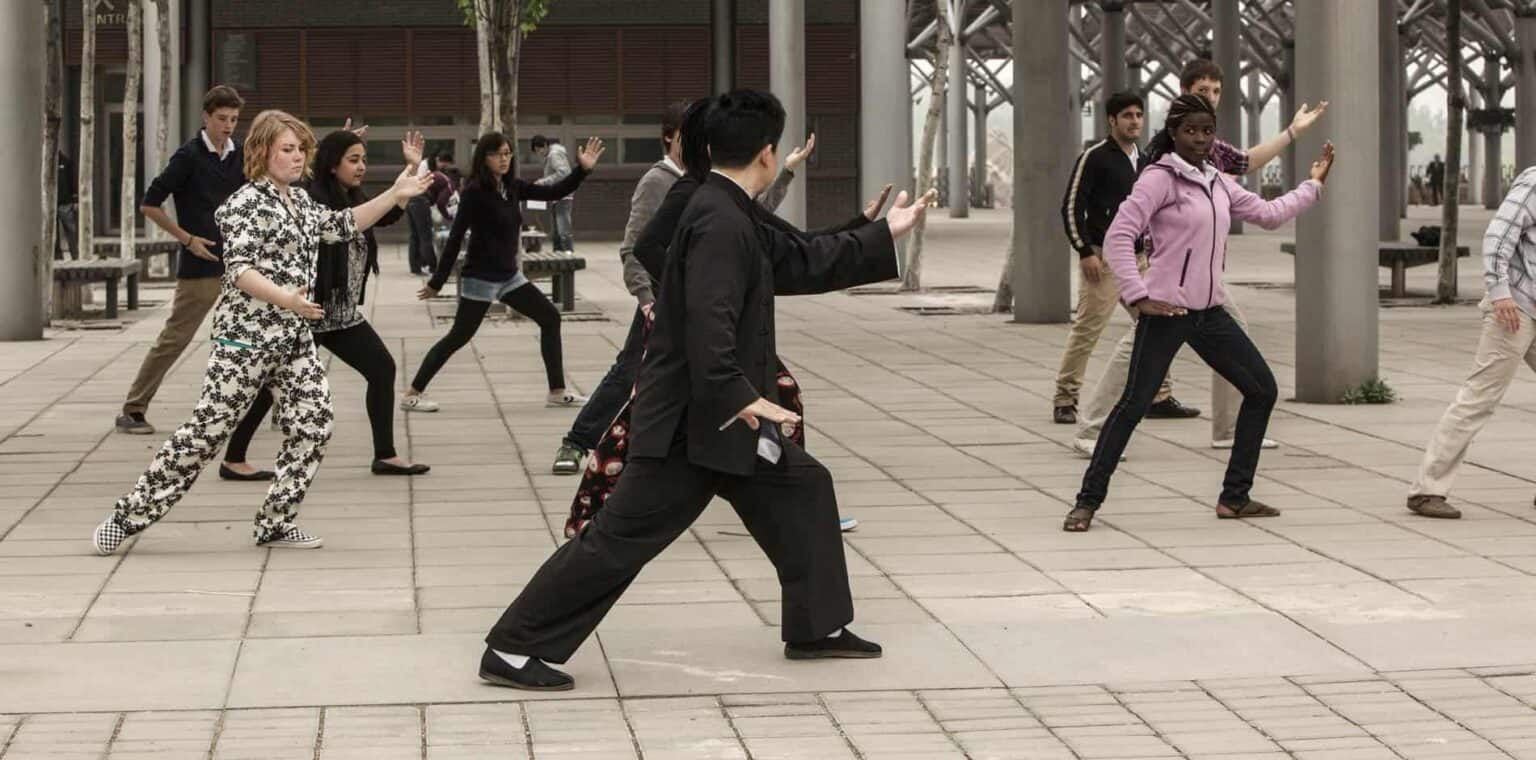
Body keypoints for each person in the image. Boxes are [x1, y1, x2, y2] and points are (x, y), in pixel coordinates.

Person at [476, 90, 932, 692]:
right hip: (695, 423)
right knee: (620, 537)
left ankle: (816, 629)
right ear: (768, 155)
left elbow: (795, 261)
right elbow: (707, 318)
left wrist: (877, 236)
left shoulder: (723, 205)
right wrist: (738, 395)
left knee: (805, 491)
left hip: (721, 416)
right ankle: (513, 648)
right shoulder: (719, 218)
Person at [91, 110, 434, 556]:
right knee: (205, 434)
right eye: (288, 150)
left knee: (314, 425)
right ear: (263, 153)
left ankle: (276, 521)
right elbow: (239, 271)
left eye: (301, 150)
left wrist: (395, 193)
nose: (297, 157)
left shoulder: (303, 202)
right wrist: (286, 298)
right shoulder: (242, 205)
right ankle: (126, 516)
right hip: (244, 342)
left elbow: (344, 225)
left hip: (293, 340)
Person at [560, 97, 889, 537]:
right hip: (673, 312)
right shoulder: (679, 188)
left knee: (774, 397)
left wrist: (861, 226)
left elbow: (791, 246)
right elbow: (643, 248)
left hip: (714, 316)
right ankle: (584, 474)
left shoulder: (722, 194)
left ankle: (788, 503)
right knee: (632, 398)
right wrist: (667, 291)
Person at [1064, 94, 1334, 533]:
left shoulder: (1217, 180)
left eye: (1207, 131)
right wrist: (1137, 294)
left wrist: (1313, 185)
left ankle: (1235, 497)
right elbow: (1118, 237)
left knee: (1262, 390)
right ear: (1174, 133)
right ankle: (1086, 503)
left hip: (1210, 312)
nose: (1200, 139)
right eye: (1190, 131)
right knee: (1132, 406)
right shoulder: (1159, 179)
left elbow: (1267, 214)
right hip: (1166, 311)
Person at [549, 101, 816, 476]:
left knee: (753, 381)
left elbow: (759, 211)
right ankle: (578, 443)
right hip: (664, 304)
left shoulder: (712, 183)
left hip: (700, 302)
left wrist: (786, 171)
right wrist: (648, 298)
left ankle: (760, 466)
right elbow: (635, 247)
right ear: (671, 138)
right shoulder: (658, 182)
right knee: (628, 376)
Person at [115, 86, 278, 480]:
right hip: (200, 265)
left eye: (233, 120)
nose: (227, 126)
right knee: (176, 337)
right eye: (222, 119)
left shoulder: (240, 156)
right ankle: (133, 408)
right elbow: (150, 203)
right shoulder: (188, 156)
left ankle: (276, 406)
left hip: (241, 265)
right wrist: (187, 238)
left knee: (263, 333)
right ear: (206, 117)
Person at [401, 133, 604, 413]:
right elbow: (457, 235)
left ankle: (557, 391)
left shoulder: (512, 188)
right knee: (459, 336)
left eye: (508, 153)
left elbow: (552, 193)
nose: (504, 158)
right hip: (480, 278)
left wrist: (583, 170)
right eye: (498, 154)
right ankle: (412, 393)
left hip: (509, 277)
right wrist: (437, 281)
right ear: (484, 158)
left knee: (550, 317)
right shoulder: (474, 192)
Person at [1406, 167, 1536, 519]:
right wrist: (1499, 292)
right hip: (1515, 308)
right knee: (1479, 397)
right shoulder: (1534, 182)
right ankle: (1427, 490)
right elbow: (1498, 236)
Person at [1054, 91, 1191, 425]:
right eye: (1127, 115)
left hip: (1140, 260)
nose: (1134, 121)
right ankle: (1065, 397)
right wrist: (1085, 250)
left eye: (1139, 115)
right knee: (1088, 330)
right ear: (1111, 120)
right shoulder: (1095, 157)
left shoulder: (1146, 162)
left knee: (1159, 323)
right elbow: (1072, 207)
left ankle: (1160, 395)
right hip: (1103, 260)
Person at [406, 155, 454, 276]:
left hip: (410, 199)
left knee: (415, 235)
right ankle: (433, 268)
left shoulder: (437, 175)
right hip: (420, 200)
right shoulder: (448, 185)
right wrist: (448, 216)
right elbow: (441, 203)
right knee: (425, 236)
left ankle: (415, 267)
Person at [532, 135, 577, 254]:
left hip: (563, 195)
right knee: (556, 229)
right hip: (557, 195)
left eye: (538, 150)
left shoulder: (554, 155)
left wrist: (543, 182)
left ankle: (567, 252)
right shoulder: (550, 155)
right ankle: (558, 253)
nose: (538, 153)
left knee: (562, 227)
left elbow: (564, 173)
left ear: (545, 146)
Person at [56, 150, 79, 260]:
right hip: (51, 203)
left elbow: (73, 180)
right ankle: (56, 256)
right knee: (53, 233)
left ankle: (75, 255)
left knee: (70, 230)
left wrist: (75, 200)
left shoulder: (66, 161)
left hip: (65, 203)